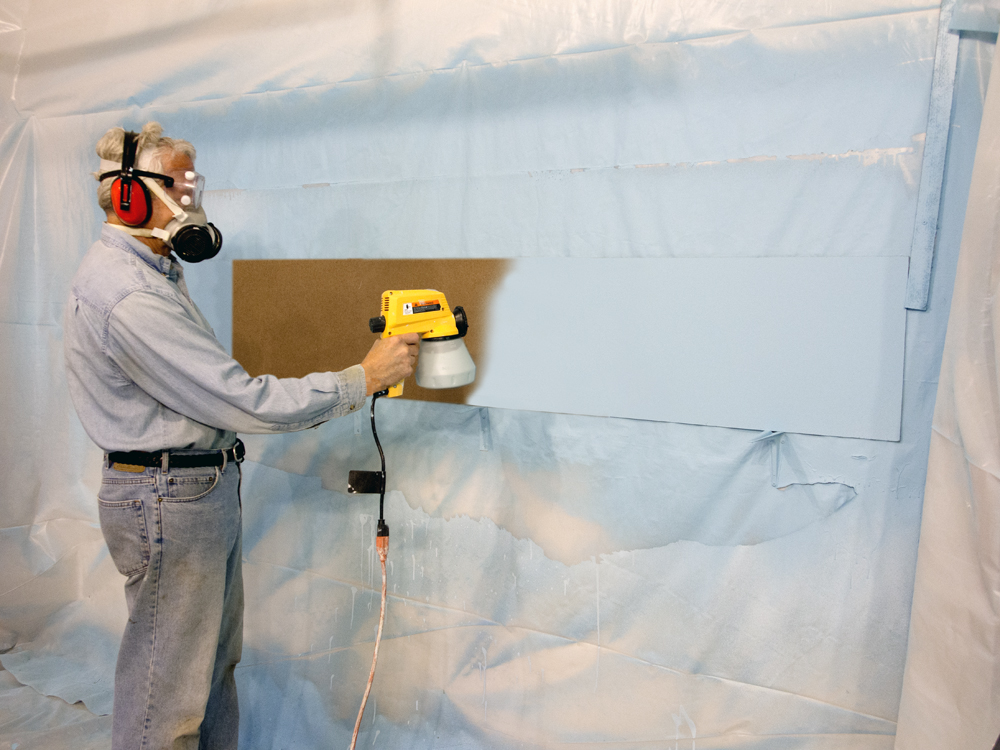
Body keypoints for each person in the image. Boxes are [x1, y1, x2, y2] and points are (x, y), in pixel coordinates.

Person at [63, 122, 419, 750]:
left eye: (195, 185)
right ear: (129, 197)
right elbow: (239, 399)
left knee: (206, 673)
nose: (194, 200)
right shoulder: (128, 294)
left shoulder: (156, 273)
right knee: (167, 693)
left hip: (193, 490)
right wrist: (361, 379)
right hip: (167, 499)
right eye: (181, 185)